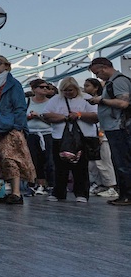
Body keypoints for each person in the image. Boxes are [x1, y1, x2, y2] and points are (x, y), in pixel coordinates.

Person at [0, 56, 30, 204]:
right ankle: (10, 192)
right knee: (1, 161)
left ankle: (17, 193)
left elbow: (20, 107)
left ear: (7, 66)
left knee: (12, 159)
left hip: (9, 127)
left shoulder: (13, 84)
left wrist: (18, 126)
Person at [88, 58, 131, 206]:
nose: (98, 76)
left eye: (97, 73)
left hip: (119, 127)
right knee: (119, 162)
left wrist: (101, 100)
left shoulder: (118, 82)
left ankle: (127, 195)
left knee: (122, 162)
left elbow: (123, 103)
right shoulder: (111, 83)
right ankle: (124, 194)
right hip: (114, 127)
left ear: (105, 68)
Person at [50, 77, 97, 203]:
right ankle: (59, 192)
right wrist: (64, 118)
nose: (67, 93)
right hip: (59, 137)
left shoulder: (86, 98)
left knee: (81, 167)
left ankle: (81, 193)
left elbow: (95, 116)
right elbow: (46, 114)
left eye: (70, 90)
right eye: (64, 90)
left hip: (83, 137)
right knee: (60, 167)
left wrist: (79, 115)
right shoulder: (56, 99)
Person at [26, 78, 66, 196]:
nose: (45, 89)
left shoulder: (51, 102)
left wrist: (39, 116)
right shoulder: (27, 101)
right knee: (34, 160)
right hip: (32, 133)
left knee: (49, 161)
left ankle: (51, 185)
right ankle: (37, 184)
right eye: (41, 87)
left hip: (48, 133)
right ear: (34, 89)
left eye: (47, 87)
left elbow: (56, 119)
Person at [85, 78, 118, 196]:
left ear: (96, 87)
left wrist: (101, 134)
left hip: (101, 135)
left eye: (88, 86)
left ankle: (111, 186)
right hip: (92, 135)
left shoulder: (101, 101)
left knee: (104, 161)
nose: (85, 88)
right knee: (93, 164)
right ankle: (100, 184)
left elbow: (103, 118)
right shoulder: (87, 101)